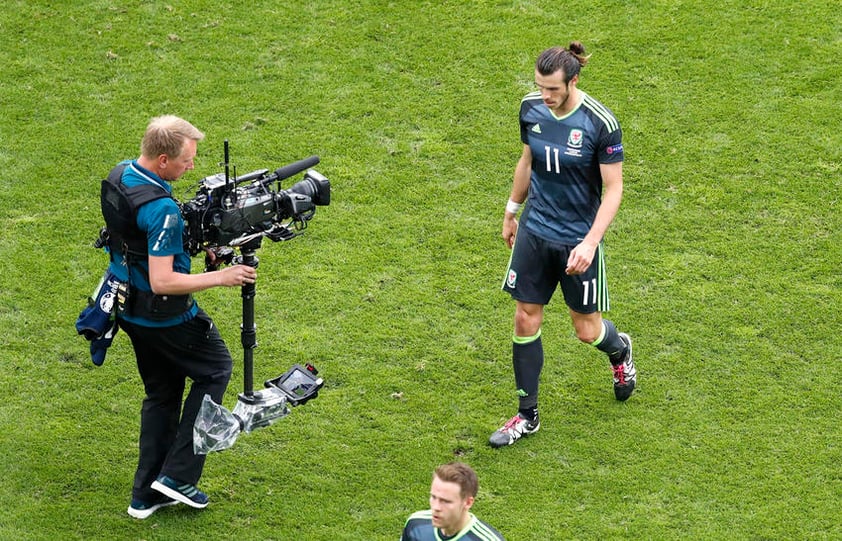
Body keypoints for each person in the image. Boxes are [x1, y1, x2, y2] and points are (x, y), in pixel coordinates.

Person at [103, 115, 258, 518]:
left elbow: (139, 243)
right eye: (186, 160)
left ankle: (145, 495)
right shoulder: (163, 210)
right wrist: (219, 276)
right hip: (164, 316)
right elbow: (162, 281)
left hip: (126, 309)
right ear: (161, 160)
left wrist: (189, 247)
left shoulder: (121, 175)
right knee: (215, 369)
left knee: (162, 394)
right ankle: (178, 476)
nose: (191, 167)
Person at [489, 43, 636, 449]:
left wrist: (591, 242)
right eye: (539, 87)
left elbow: (614, 189)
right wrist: (511, 211)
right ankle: (527, 414)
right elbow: (527, 161)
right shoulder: (531, 108)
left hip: (577, 240)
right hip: (535, 231)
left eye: (552, 89)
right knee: (524, 318)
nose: (545, 96)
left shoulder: (600, 123)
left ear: (573, 81)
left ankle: (620, 350)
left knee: (586, 331)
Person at [401, 462, 505, 541]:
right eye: (433, 497)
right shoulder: (416, 525)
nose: (436, 507)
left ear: (468, 503)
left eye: (445, 501)